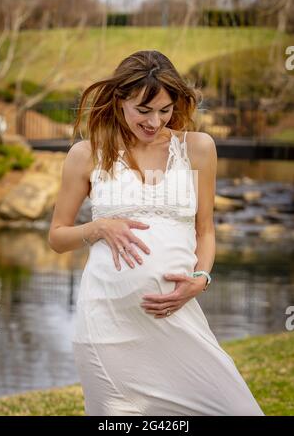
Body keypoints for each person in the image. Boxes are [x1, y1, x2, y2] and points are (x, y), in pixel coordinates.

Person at [48, 49, 265, 416]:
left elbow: (205, 230)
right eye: (143, 111)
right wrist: (99, 227)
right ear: (120, 101)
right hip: (107, 321)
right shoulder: (87, 154)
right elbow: (57, 237)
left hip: (175, 315)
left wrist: (201, 278)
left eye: (164, 110)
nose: (155, 121)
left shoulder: (197, 148)